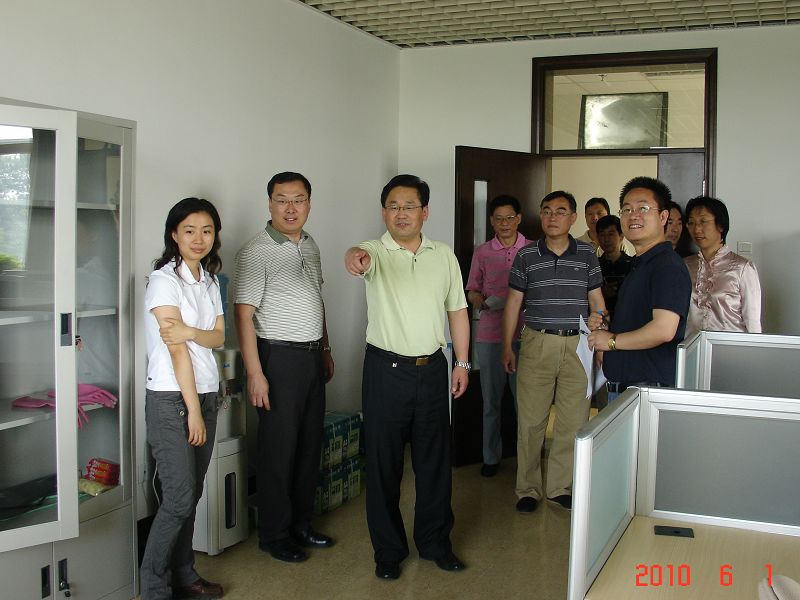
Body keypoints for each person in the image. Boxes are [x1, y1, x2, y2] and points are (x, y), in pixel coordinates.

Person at [344, 174, 470, 581]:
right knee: (384, 465)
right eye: (393, 206)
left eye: (409, 206)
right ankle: (388, 551)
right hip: (386, 371)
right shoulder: (374, 251)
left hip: (432, 369)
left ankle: (435, 543)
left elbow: (457, 311)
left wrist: (462, 363)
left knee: (435, 463)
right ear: (384, 212)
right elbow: (355, 257)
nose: (401, 213)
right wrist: (355, 258)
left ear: (424, 212)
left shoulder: (443, 255)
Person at [234, 172, 334, 564]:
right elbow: (244, 316)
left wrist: (325, 347)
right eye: (282, 199)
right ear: (270, 203)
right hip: (277, 358)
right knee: (279, 450)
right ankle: (274, 535)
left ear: (309, 203)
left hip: (310, 356)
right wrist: (256, 373)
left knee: (309, 446)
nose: (291, 208)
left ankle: (301, 525)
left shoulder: (310, 244)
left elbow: (317, 298)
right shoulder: (256, 251)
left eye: (299, 199)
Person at [141, 197, 226, 600]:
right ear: (174, 234)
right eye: (189, 230)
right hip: (172, 399)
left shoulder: (209, 281)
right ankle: (154, 588)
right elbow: (176, 351)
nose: (198, 238)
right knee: (177, 498)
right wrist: (192, 411)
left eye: (207, 231)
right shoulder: (164, 280)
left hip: (206, 393)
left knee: (191, 495)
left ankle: (184, 576)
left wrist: (192, 332)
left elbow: (218, 337)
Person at [502, 191, 606, 513]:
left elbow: (597, 300)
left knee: (573, 420)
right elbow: (514, 303)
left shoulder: (587, 255)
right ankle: (528, 489)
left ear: (573, 217)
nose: (552, 217)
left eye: (560, 211)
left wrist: (600, 336)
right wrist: (507, 346)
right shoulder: (526, 255)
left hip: (579, 345)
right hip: (537, 342)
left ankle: (560, 487)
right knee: (531, 421)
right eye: (546, 211)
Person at [588, 177, 691, 402]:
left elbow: (663, 330)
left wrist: (611, 341)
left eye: (643, 208)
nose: (633, 215)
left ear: (663, 217)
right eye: (626, 210)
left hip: (647, 390)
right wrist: (607, 325)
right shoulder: (641, 263)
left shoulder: (667, 265)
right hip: (630, 387)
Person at [465, 195, 529, 478]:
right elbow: (471, 289)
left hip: (526, 335)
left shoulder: (532, 249)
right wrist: (480, 300)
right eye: (499, 219)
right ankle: (490, 457)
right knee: (491, 402)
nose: (504, 223)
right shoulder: (482, 252)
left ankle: (527, 460)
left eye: (509, 218)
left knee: (525, 404)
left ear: (519, 218)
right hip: (490, 336)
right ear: (492, 221)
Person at [684, 195, 762, 338]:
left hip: (731, 348)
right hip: (691, 347)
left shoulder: (742, 268)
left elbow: (753, 324)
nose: (697, 229)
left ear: (720, 225)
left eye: (703, 221)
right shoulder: (684, 266)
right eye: (691, 223)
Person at [596, 214, 633, 318]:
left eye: (611, 234)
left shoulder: (632, 265)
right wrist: (602, 293)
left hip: (628, 320)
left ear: (621, 236)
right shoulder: (594, 266)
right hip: (601, 321)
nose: (606, 239)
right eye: (602, 235)